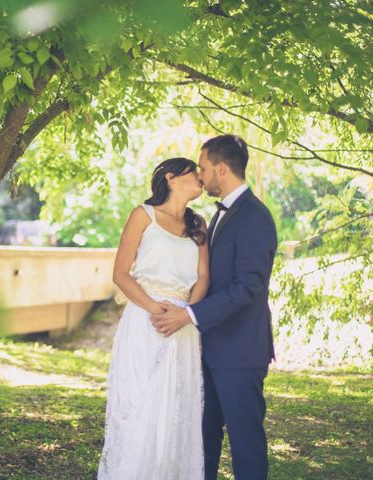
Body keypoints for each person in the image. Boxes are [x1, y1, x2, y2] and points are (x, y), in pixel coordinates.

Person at [151, 135, 278, 480]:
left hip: (240, 354)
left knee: (245, 444)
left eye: (204, 168)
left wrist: (189, 315)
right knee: (202, 442)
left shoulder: (255, 217)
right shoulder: (217, 216)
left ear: (221, 169)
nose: (201, 175)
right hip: (207, 351)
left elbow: (248, 288)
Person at [98, 157, 209, 479]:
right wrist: (153, 308)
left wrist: (187, 313)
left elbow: (203, 276)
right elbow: (121, 273)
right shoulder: (142, 216)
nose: (201, 178)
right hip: (145, 321)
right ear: (171, 178)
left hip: (184, 325)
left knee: (176, 410)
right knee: (139, 406)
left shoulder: (198, 224)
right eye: (194, 173)